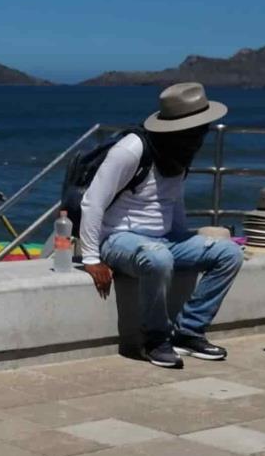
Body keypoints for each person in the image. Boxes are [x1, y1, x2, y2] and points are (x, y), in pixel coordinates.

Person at [80, 83, 244, 369]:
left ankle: (189, 331)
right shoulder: (132, 150)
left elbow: (172, 200)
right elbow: (93, 201)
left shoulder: (179, 152)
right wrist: (91, 257)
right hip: (120, 238)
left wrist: (183, 238)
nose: (202, 134)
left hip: (165, 240)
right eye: (197, 128)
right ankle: (154, 339)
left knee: (229, 253)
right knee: (158, 257)